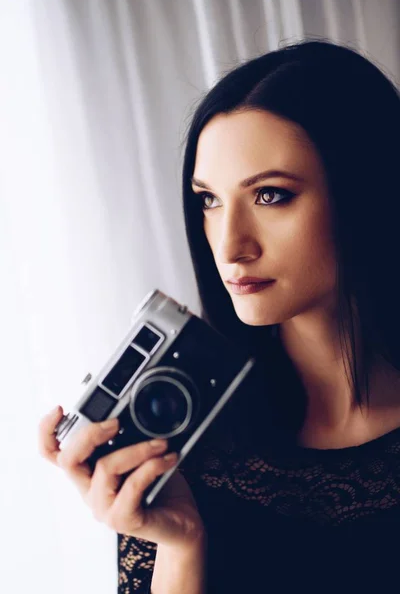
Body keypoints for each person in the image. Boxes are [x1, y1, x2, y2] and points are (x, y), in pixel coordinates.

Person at [39, 38, 400, 593]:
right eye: (208, 200)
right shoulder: (186, 450)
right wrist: (181, 544)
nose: (229, 245)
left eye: (271, 196)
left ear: (368, 193)